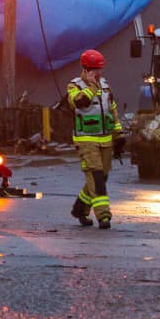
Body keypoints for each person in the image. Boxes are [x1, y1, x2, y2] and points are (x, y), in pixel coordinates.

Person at [66, 49, 122, 229]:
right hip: (86, 140)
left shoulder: (105, 85)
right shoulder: (74, 86)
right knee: (96, 177)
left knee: (101, 177)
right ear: (84, 69)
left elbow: (112, 109)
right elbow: (79, 102)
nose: (97, 73)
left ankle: (80, 209)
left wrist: (118, 134)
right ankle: (103, 216)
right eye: (93, 70)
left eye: (99, 69)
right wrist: (91, 87)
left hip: (105, 140)